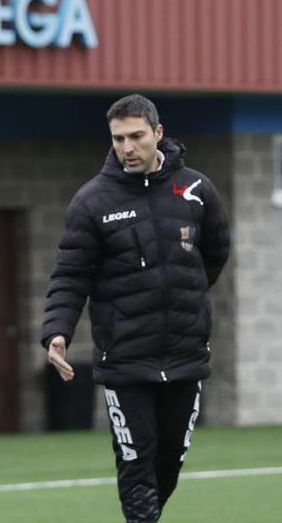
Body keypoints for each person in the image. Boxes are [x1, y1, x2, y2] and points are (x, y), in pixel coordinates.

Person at [41, 94, 231, 522]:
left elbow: (216, 253)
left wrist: (184, 295)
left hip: (185, 355)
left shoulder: (197, 191)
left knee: (170, 461)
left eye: (136, 136)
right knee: (136, 462)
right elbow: (70, 275)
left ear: (158, 134)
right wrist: (57, 331)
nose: (127, 147)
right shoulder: (92, 201)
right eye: (118, 138)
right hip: (125, 359)